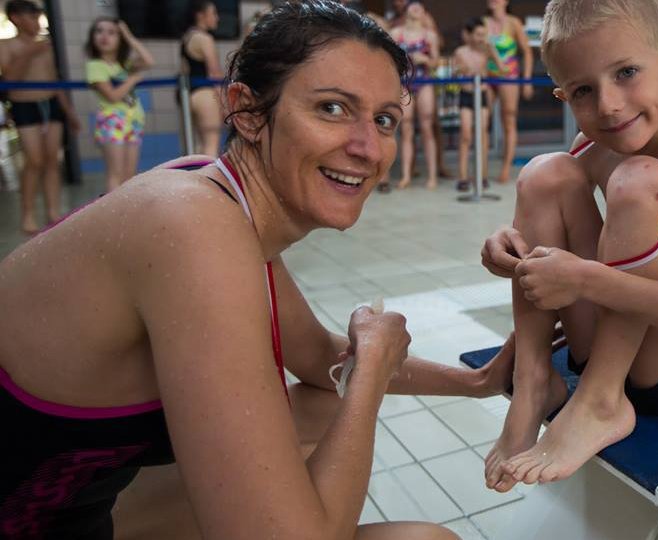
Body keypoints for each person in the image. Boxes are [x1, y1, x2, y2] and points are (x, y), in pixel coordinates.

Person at [0, 2, 514, 538]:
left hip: (87, 508)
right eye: (333, 109)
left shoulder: (214, 192)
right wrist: (371, 374)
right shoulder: (191, 226)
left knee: (319, 406)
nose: (367, 148)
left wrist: (478, 382)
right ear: (246, 110)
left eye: (383, 119)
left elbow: (318, 360)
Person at [480, 0, 658, 492]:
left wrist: (590, 278)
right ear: (563, 96)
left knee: (640, 182)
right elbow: (548, 231)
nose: (608, 104)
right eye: (583, 90)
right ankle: (533, 384)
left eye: (627, 72)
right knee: (544, 173)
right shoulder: (595, 148)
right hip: (603, 351)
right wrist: (510, 246)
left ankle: (600, 403)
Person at [0, 0, 81, 234]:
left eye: (38, 17)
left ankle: (53, 212)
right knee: (34, 160)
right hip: (25, 106)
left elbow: (55, 81)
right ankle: (27, 215)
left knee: (51, 160)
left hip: (51, 105)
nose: (37, 22)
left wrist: (69, 112)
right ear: (16, 18)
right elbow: (9, 80)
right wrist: (28, 52)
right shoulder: (7, 45)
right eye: (32, 17)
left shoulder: (46, 46)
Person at [85, 18, 154, 193]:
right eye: (99, 31)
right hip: (112, 122)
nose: (104, 36)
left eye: (112, 32)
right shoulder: (96, 65)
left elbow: (149, 61)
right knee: (115, 173)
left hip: (133, 122)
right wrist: (133, 79)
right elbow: (112, 96)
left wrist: (128, 35)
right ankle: (114, 216)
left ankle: (125, 214)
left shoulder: (123, 65)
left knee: (129, 175)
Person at [390, 1, 439, 189]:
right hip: (404, 83)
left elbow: (435, 62)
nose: (416, 7)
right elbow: (391, 61)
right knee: (407, 127)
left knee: (427, 126)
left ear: (424, 12)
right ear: (406, 10)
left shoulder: (430, 35)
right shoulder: (396, 34)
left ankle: (432, 175)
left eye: (420, 6)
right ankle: (406, 175)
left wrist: (426, 59)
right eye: (413, 5)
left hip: (424, 81)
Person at [483, 0, 534, 185]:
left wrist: (526, 81)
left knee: (509, 119)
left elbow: (527, 52)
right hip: (487, 76)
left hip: (510, 76)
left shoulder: (513, 23)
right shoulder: (483, 22)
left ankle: (505, 168)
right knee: (483, 120)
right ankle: (483, 170)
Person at [453, 17, 504, 192]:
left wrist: (492, 49)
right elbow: (454, 73)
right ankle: (463, 177)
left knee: (482, 134)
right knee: (466, 135)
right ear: (470, 35)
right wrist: (461, 71)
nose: (482, 37)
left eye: (484, 34)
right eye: (478, 34)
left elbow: (502, 68)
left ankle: (482, 176)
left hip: (481, 94)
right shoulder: (461, 52)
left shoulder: (486, 51)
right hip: (466, 95)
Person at [181, 0, 224, 157]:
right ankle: (207, 182)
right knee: (211, 146)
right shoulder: (205, 38)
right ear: (200, 15)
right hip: (206, 95)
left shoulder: (187, 37)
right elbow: (214, 73)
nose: (217, 18)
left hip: (190, 95)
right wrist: (223, 102)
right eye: (213, 13)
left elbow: (184, 70)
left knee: (199, 146)